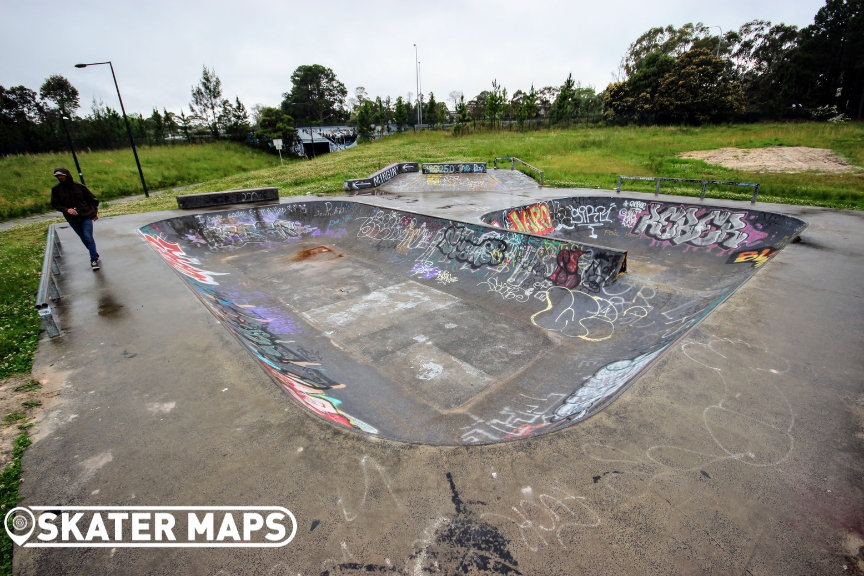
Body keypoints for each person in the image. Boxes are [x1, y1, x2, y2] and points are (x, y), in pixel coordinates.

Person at [50, 167, 101, 270]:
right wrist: (66, 209)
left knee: (88, 236)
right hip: (72, 218)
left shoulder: (79, 187)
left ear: (66, 175)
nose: (60, 177)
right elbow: (55, 203)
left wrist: (94, 213)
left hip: (85, 215)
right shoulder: (56, 190)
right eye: (58, 176)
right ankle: (94, 253)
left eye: (62, 175)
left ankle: (93, 260)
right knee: (83, 237)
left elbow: (93, 200)